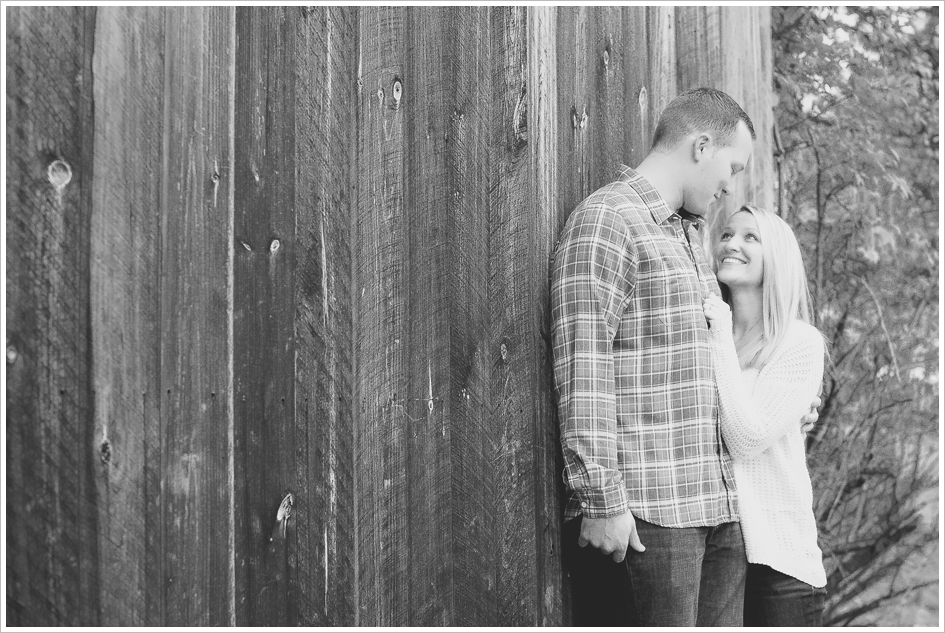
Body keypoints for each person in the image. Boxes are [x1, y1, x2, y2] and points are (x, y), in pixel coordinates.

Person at [550, 87, 819, 627]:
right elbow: (585, 367)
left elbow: (703, 365)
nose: (731, 186)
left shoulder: (689, 239)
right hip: (651, 519)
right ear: (701, 146)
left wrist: (790, 414)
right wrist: (601, 499)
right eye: (733, 166)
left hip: (720, 516)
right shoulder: (609, 220)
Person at [703, 205, 828, 627]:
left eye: (749, 237)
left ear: (776, 256)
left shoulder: (798, 343)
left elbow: (746, 438)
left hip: (780, 564)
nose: (731, 244)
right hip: (715, 556)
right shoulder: (705, 331)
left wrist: (720, 331)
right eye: (726, 235)